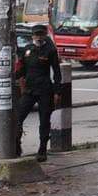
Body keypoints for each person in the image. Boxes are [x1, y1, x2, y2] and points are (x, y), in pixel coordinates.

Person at [15, 23, 61, 162]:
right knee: (18, 117)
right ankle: (16, 145)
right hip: (29, 90)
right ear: (33, 36)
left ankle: (42, 149)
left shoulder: (50, 50)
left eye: (41, 34)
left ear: (45, 35)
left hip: (45, 90)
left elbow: (57, 72)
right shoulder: (28, 50)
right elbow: (23, 69)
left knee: (44, 120)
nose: (39, 37)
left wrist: (57, 92)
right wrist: (12, 76)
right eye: (36, 35)